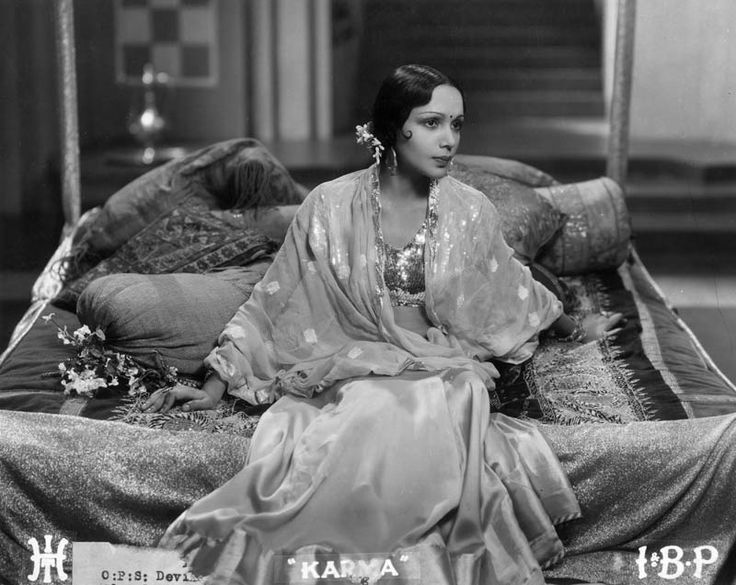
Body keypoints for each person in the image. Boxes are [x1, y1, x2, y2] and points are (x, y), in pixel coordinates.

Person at [142, 65, 736, 585]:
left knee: (430, 405)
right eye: (432, 123)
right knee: (345, 416)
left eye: (457, 124)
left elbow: (505, 289)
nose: (449, 140)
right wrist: (217, 382)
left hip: (436, 364)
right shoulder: (328, 205)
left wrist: (565, 323)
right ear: (392, 128)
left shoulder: (468, 209)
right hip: (349, 357)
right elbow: (275, 298)